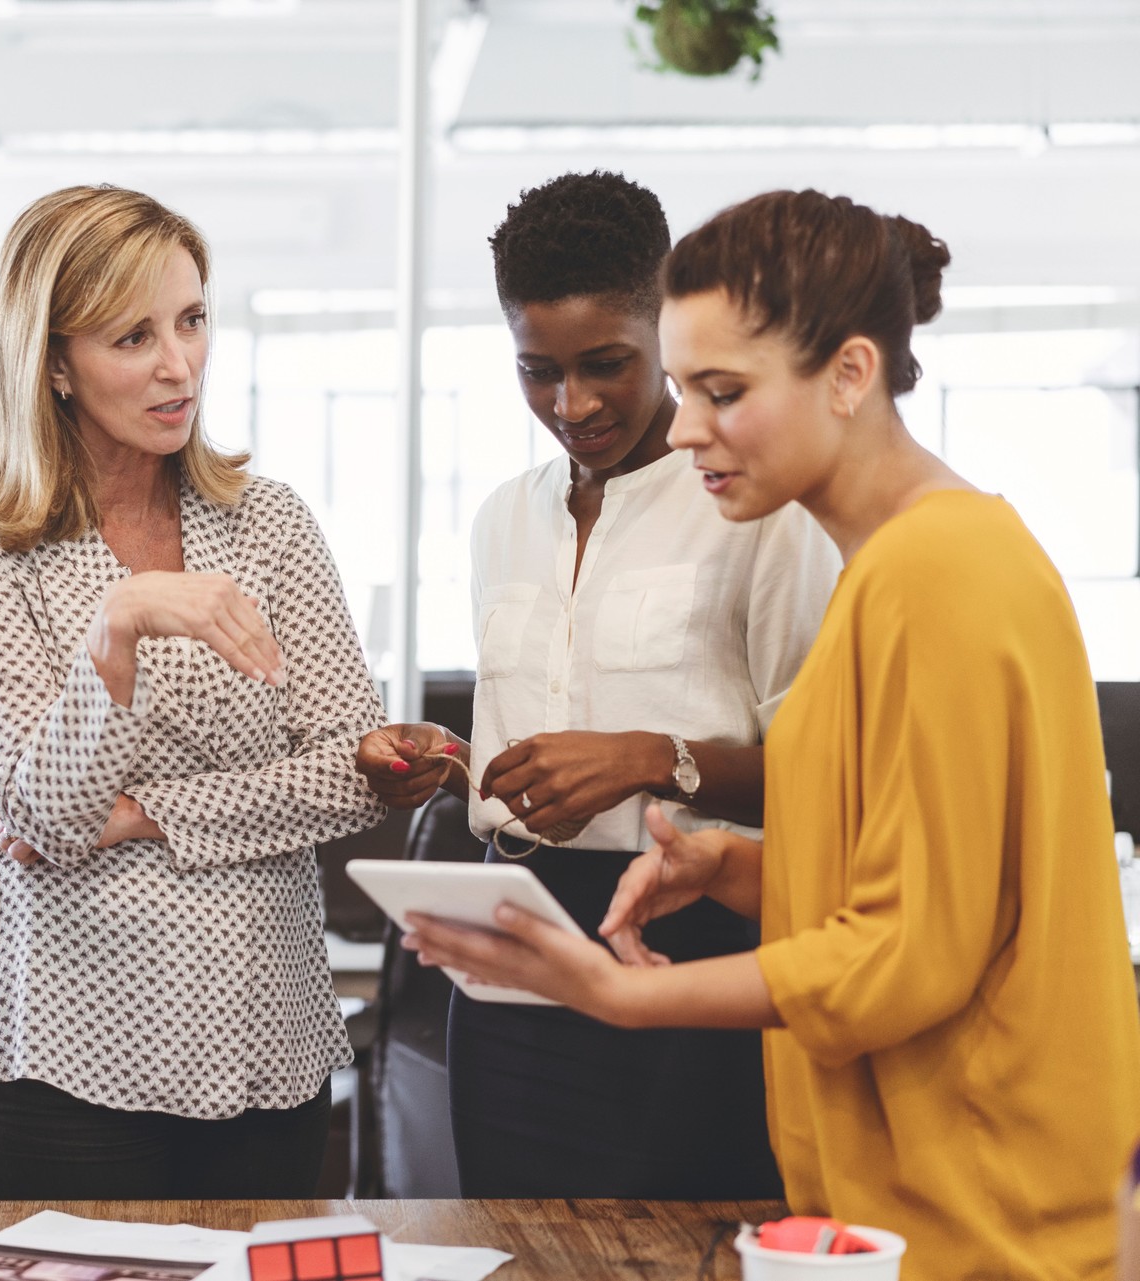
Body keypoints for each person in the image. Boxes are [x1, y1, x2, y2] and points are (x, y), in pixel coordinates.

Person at [406, 189, 1140, 1278]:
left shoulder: (941, 578)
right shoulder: (907, 568)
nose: (685, 425)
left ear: (849, 376)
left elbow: (906, 954)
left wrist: (622, 992)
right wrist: (741, 866)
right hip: (914, 1187)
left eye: (721, 391)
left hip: (980, 1208)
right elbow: (929, 878)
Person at [354, 171, 837, 1198]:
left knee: (690, 1247)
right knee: (518, 1248)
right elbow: (526, 757)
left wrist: (654, 761)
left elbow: (834, 782)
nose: (571, 405)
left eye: (606, 365)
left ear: (665, 326)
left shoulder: (761, 512)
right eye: (537, 371)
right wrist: (449, 771)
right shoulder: (500, 520)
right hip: (512, 949)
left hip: (693, 944)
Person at [0, 184, 386, 1199]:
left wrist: (147, 816)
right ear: (52, 362)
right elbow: (40, 816)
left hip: (265, 1046)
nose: (179, 365)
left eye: (192, 319)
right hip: (58, 1057)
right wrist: (115, 627)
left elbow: (355, 775)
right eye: (133, 337)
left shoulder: (269, 524)